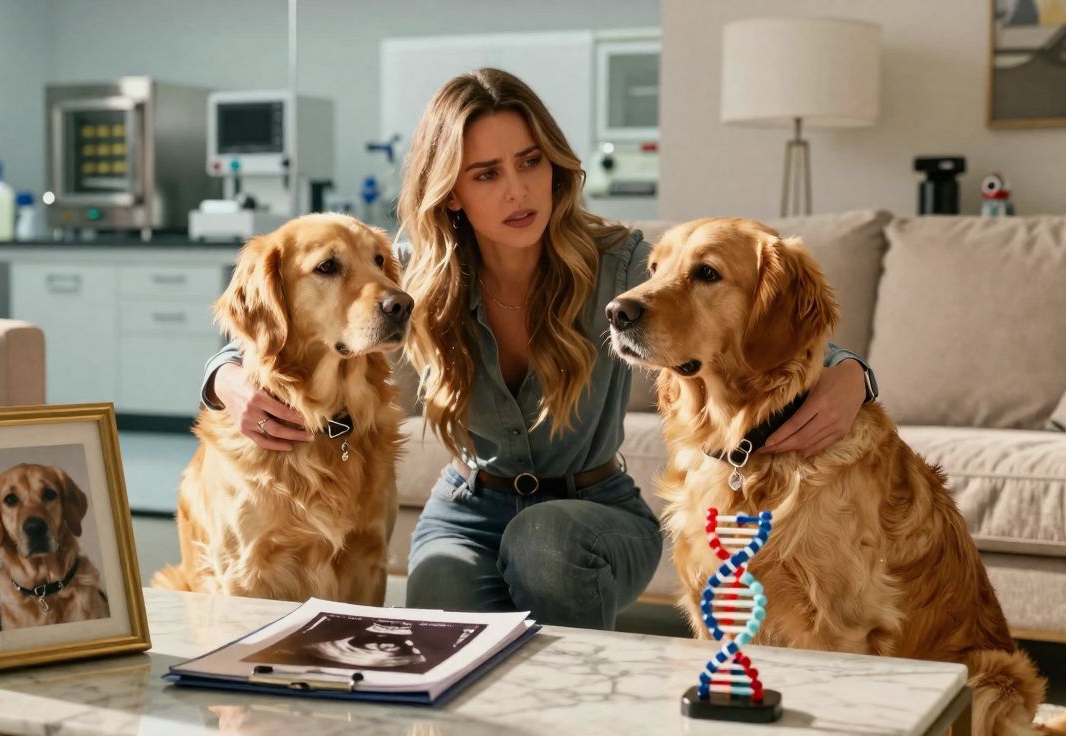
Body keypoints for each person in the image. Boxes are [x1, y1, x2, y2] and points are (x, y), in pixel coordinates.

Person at [199, 68, 877, 629]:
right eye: (486, 173)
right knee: (439, 623)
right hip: (466, 509)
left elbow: (775, 326)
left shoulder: (624, 262)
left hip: (596, 511)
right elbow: (306, 315)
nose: (519, 190)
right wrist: (224, 378)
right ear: (454, 193)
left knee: (543, 543)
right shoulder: (414, 274)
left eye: (530, 162)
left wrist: (854, 376)